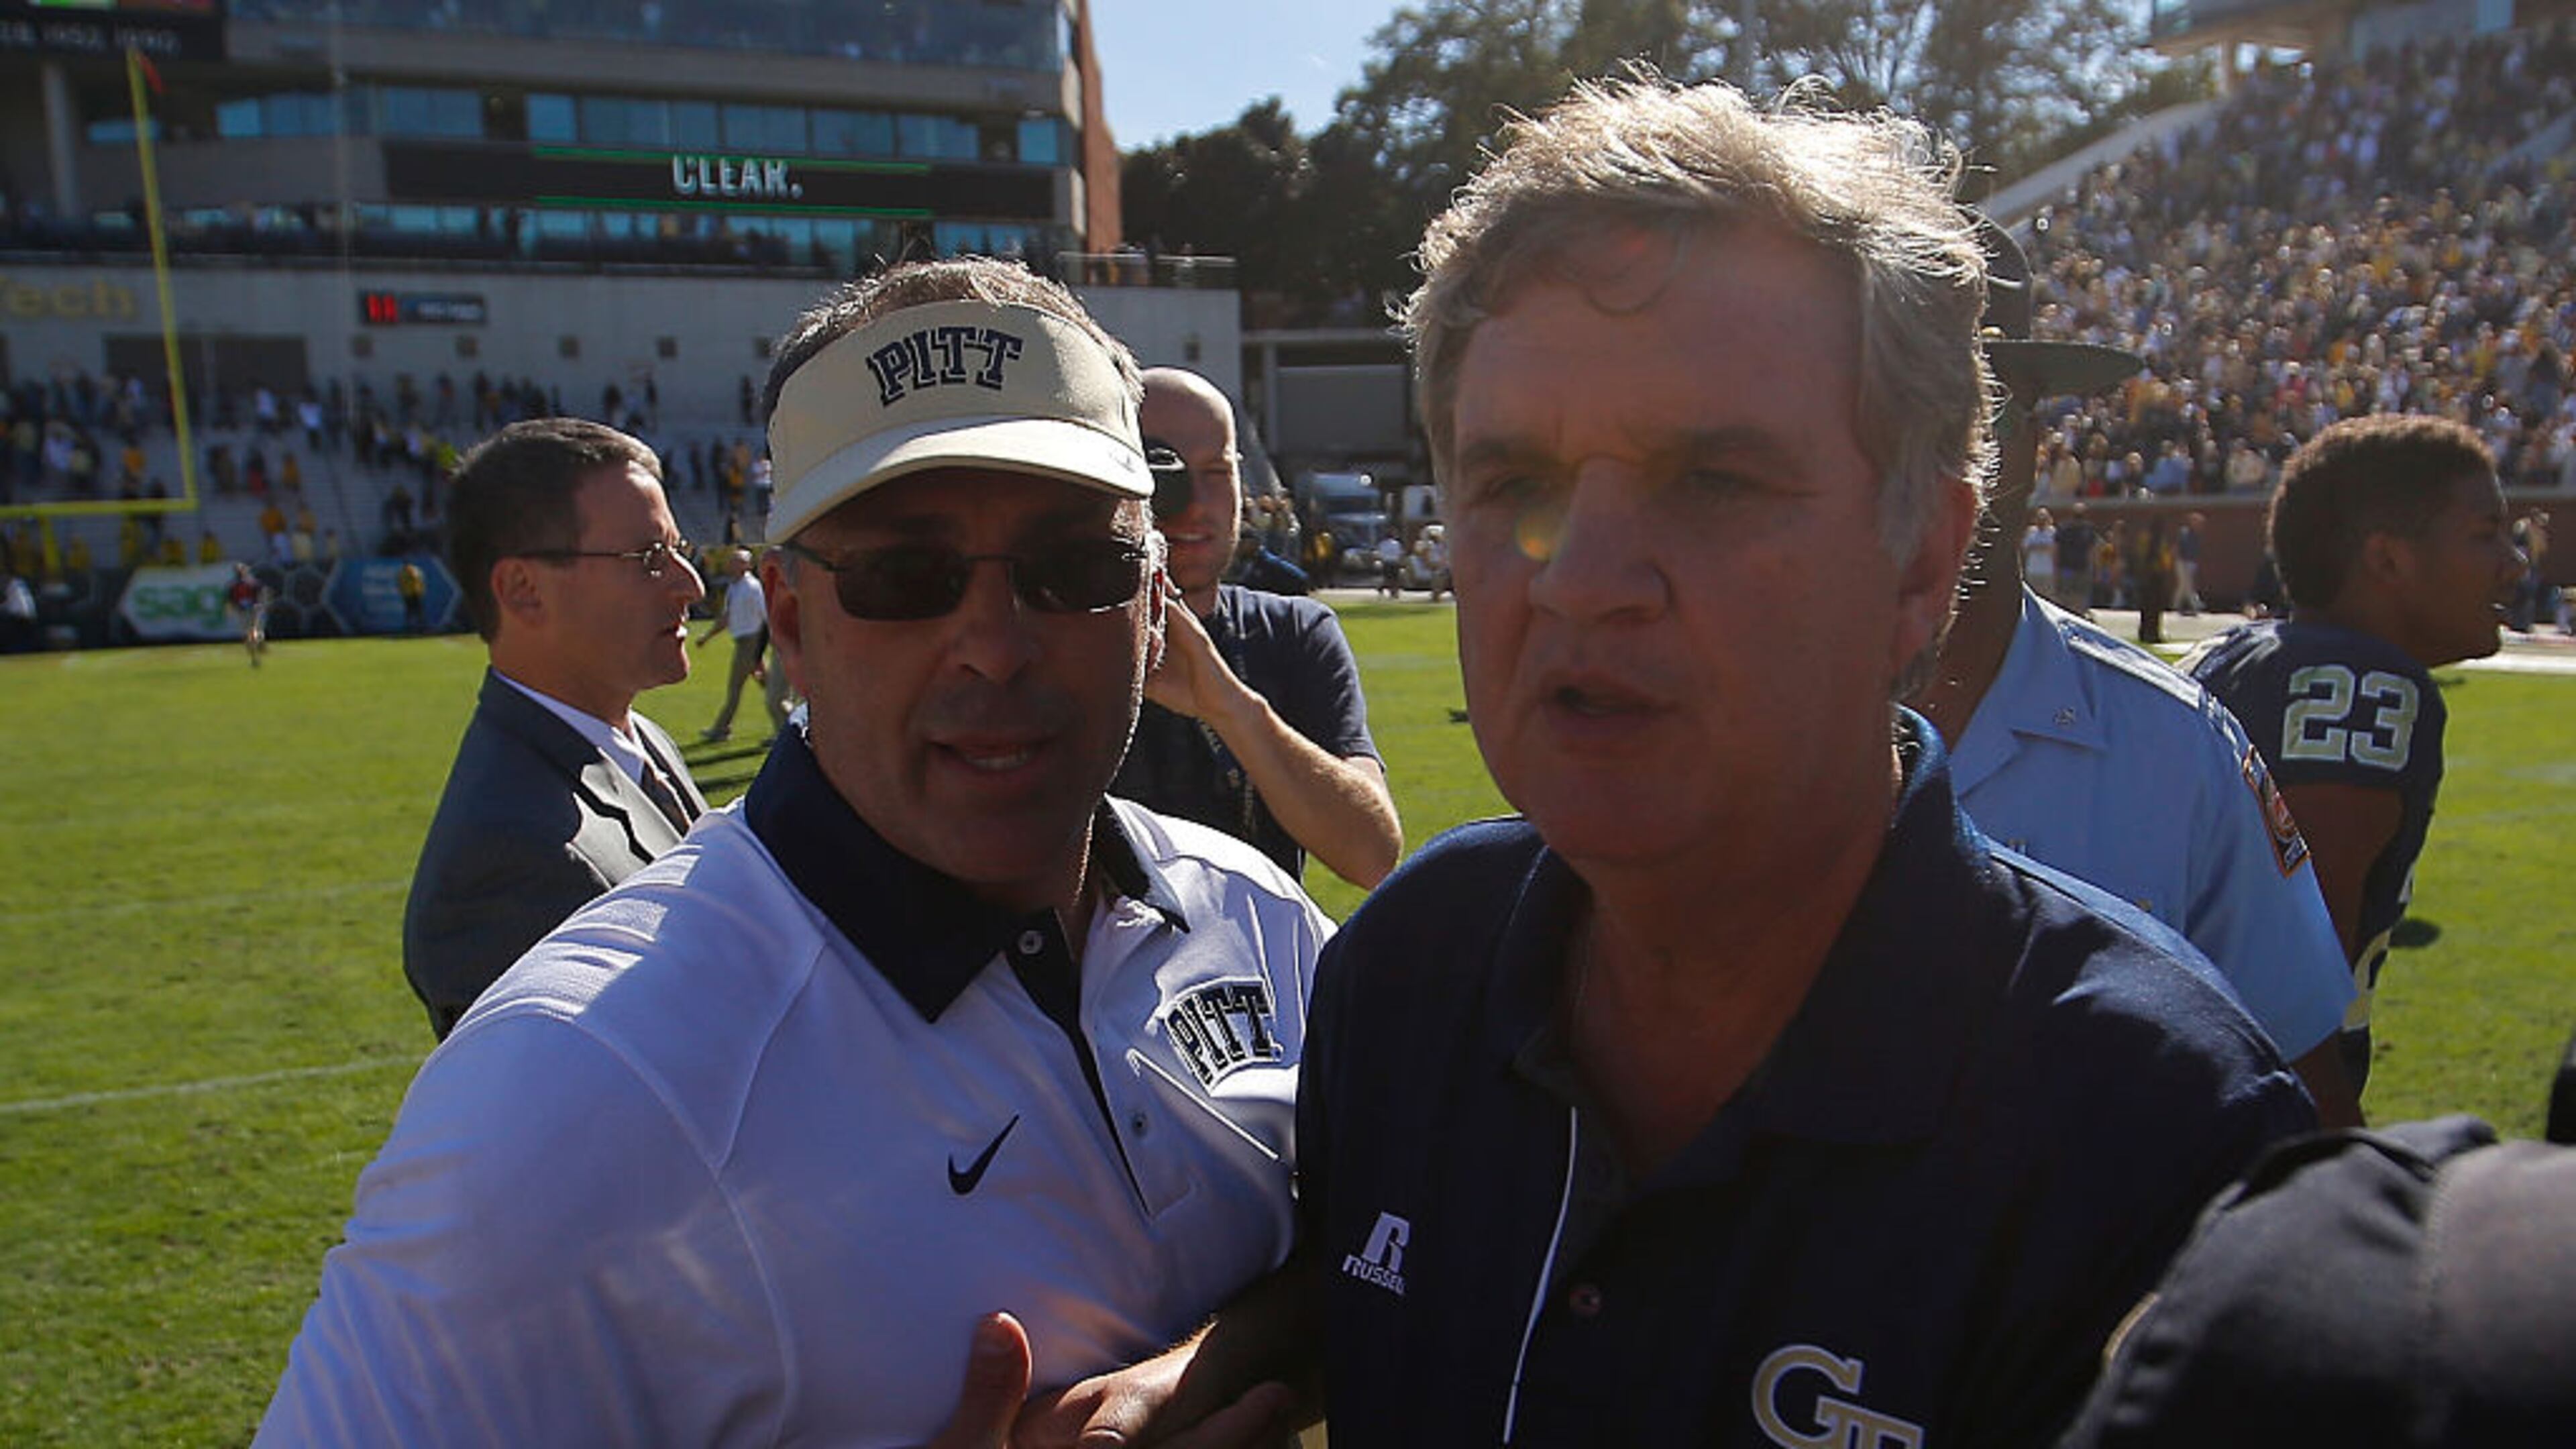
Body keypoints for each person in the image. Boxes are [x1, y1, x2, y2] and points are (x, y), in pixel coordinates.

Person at [1053, 76, 2319, 1448]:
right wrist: (1227, 1363)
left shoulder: (2154, 1135)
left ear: (1925, 562)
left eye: (1715, 481)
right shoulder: (1412, 968)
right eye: (1514, 486)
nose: (1583, 580)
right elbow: (1376, 1269)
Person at [258, 260, 1330, 1446]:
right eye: (901, 576)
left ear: (1153, 603)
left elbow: (1402, 1235)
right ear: (794, 621)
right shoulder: (571, 1088)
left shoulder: (1258, 918)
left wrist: (1201, 1369)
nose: (995, 646)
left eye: (1076, 565)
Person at [1909, 219, 2359, 1126]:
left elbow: (2306, 1115)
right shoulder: (1728, 724)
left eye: (1975, 407)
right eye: (1877, 408)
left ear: (2031, 439)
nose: (1922, 454)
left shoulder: (2173, 747)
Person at [2186, 415, 2523, 1093]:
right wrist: (2335, 1155)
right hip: (2232, 1122)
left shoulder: (2234, 653)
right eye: (2486, 537)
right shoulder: (2362, 683)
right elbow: (2290, 997)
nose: (2513, 563)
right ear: (2389, 559)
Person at [397, 418, 709, 1040]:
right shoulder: (507, 861)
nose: (691, 586)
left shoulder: (639, 739)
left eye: (681, 551)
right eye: (649, 558)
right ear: (523, 590)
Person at [1112, 367, 1401, 887]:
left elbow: (1373, 854)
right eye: (1164, 472)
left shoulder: (1294, 632)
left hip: (1260, 962)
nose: (1196, 504)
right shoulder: (1065, 639)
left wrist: (1228, 705)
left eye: (1217, 473)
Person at [694, 545, 782, 741]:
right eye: (732, 561)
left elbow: (765, 616)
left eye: (736, 561)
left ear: (747, 565)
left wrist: (759, 650)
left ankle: (721, 729)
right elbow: (727, 617)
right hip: (745, 641)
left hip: (750, 641)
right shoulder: (735, 586)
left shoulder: (751, 588)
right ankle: (788, 722)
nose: (731, 565)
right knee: (770, 688)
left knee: (735, 689)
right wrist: (707, 637)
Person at [226, 562, 272, 667]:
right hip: (243, 611)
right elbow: (231, 599)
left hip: (253, 610)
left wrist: (262, 604)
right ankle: (255, 653)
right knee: (250, 632)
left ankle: (256, 649)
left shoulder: (253, 583)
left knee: (253, 631)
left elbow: (263, 593)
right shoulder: (234, 586)